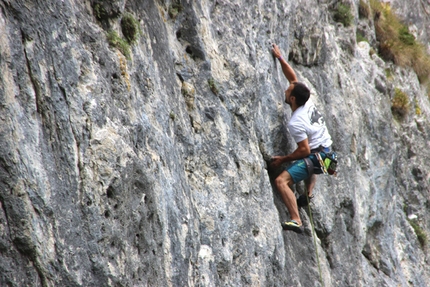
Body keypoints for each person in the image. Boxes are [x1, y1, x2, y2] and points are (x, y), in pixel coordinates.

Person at [270, 44, 333, 233]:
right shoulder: (306, 101)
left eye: (288, 91)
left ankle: (296, 219)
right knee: (310, 161)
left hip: (316, 158)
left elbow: (304, 150)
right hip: (329, 157)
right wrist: (280, 58)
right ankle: (309, 193)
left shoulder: (296, 122)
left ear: (293, 99)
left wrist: (282, 159)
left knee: (281, 181)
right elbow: (293, 78)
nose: (285, 90)